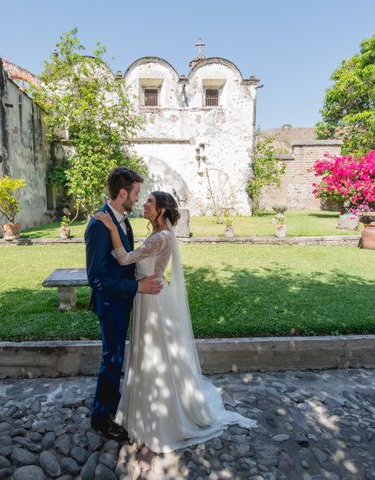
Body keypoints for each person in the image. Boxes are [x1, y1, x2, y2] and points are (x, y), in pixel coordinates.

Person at [94, 191, 256, 453]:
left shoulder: (161, 237)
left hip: (152, 299)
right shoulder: (159, 234)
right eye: (143, 199)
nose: (144, 204)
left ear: (161, 210)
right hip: (150, 294)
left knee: (155, 355)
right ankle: (148, 408)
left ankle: (161, 417)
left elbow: (124, 258)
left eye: (149, 202)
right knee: (154, 353)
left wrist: (112, 227)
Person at [84, 167, 163, 441]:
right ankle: (101, 418)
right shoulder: (98, 226)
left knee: (116, 358)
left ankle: (111, 406)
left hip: (124, 301)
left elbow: (125, 259)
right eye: (136, 193)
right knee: (112, 359)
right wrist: (136, 286)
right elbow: (96, 278)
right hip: (110, 305)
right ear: (122, 193)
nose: (138, 199)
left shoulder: (123, 222)